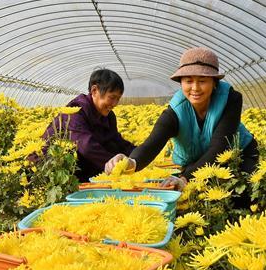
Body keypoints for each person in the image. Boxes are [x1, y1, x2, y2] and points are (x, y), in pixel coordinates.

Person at [104, 47, 258, 191]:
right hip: (197, 162)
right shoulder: (175, 112)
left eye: (202, 81)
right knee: (191, 194)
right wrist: (130, 162)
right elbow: (152, 144)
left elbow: (219, 147)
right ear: (181, 83)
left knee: (241, 190)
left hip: (238, 155)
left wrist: (185, 178)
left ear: (214, 83)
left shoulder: (230, 99)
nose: (195, 88)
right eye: (188, 81)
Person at [37, 68, 135, 182]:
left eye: (118, 99)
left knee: (113, 147)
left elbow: (118, 141)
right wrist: (116, 166)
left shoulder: (109, 116)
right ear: (94, 91)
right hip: (47, 170)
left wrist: (140, 156)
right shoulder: (75, 112)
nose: (114, 104)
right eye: (112, 97)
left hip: (79, 166)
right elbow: (87, 147)